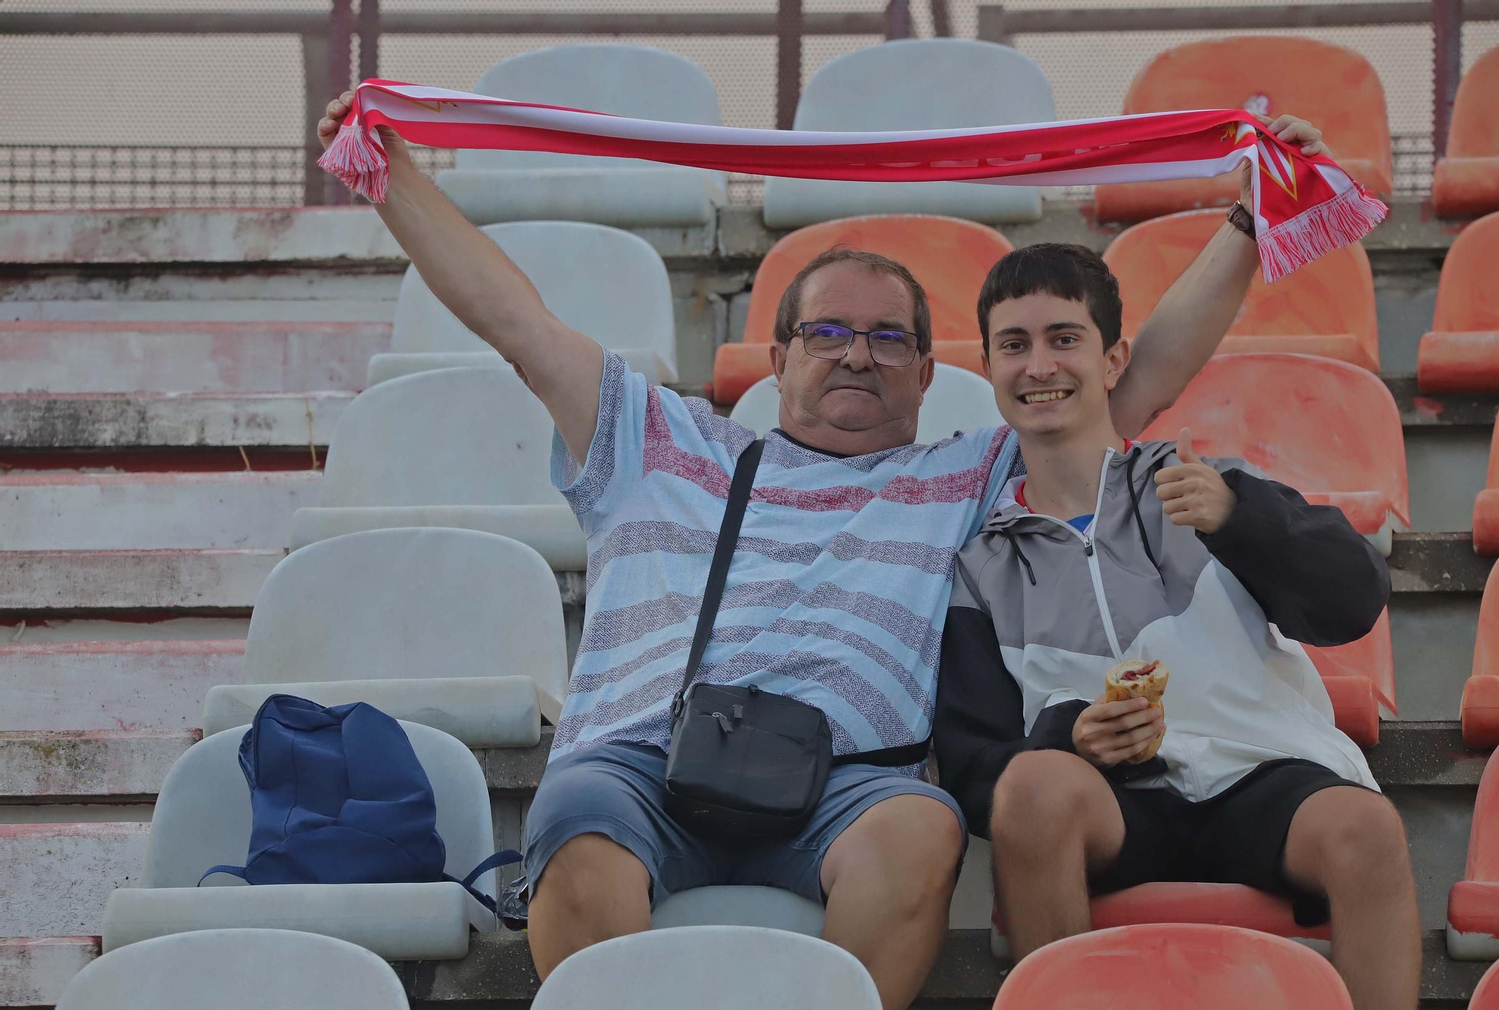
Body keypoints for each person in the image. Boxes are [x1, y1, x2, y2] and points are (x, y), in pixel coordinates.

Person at [318, 91, 1329, 1010]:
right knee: (577, 809)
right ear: (778, 356)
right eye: (830, 331)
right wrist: (390, 179)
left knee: (923, 827)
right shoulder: (661, 443)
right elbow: (517, 321)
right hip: (647, 760)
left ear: (930, 372)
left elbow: (1135, 379)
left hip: (851, 779)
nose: (857, 352)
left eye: (889, 338)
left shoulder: (969, 475)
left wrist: (1248, 222)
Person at [932, 242, 1419, 1010]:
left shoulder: (1205, 487)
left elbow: (1354, 599)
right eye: (1014, 346)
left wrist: (1241, 522)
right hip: (1109, 802)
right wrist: (1071, 738)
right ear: (988, 367)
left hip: (1261, 773)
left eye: (1065, 339)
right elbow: (969, 764)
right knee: (1031, 787)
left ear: (1115, 357)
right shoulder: (978, 560)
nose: (1039, 366)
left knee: (1368, 829)